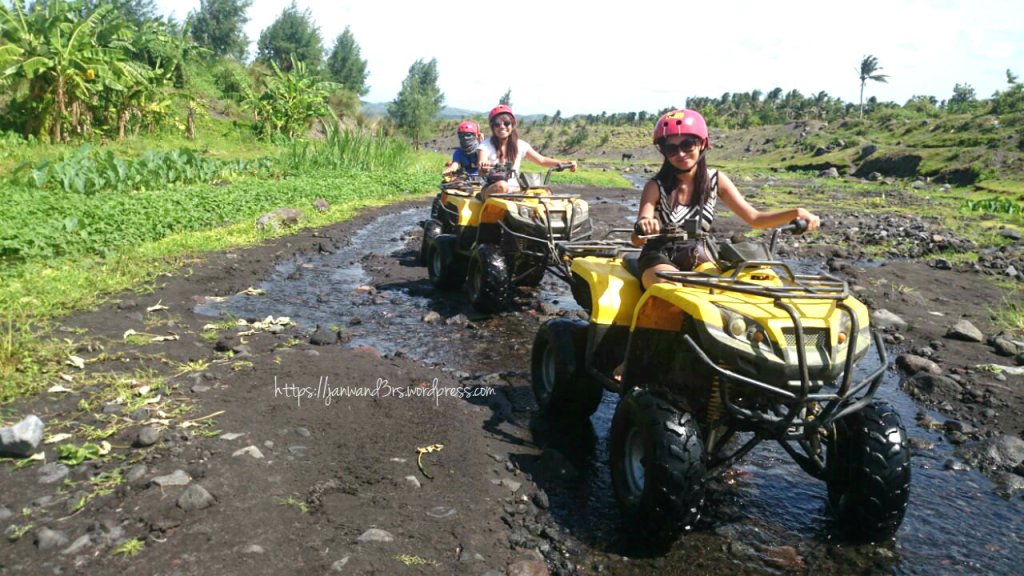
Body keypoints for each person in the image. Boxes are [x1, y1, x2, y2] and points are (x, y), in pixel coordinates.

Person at [632, 109, 821, 290]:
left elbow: (755, 219)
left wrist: (796, 212)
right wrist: (645, 226)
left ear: (702, 144)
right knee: (670, 286)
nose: (680, 153)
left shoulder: (715, 180)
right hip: (659, 255)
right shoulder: (655, 186)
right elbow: (637, 238)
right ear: (663, 152)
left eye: (687, 144)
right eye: (671, 148)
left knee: (729, 288)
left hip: (698, 254)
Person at [478, 105, 576, 199]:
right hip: (492, 189)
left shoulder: (520, 145)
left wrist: (565, 163)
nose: (502, 127)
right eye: (497, 124)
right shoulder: (485, 146)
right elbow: (482, 164)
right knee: (502, 186)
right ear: (492, 127)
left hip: (515, 191)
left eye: (506, 123)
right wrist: (484, 167)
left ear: (512, 125)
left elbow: (542, 160)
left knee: (544, 191)